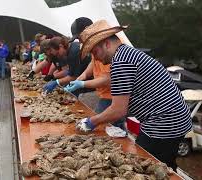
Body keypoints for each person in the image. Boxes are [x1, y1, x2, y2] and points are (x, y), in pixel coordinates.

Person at [75, 20, 192, 170]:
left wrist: (91, 121)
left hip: (164, 123)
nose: (95, 58)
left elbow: (118, 110)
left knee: (145, 167)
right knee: (165, 164)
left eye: (94, 52)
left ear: (106, 43)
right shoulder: (128, 53)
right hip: (176, 119)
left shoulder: (120, 62)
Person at [64, 17, 127, 131]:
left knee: (107, 129)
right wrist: (81, 77)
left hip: (112, 96)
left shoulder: (118, 58)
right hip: (106, 95)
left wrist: (82, 84)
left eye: (79, 37)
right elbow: (93, 63)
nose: (80, 41)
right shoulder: (100, 46)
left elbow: (109, 79)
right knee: (111, 128)